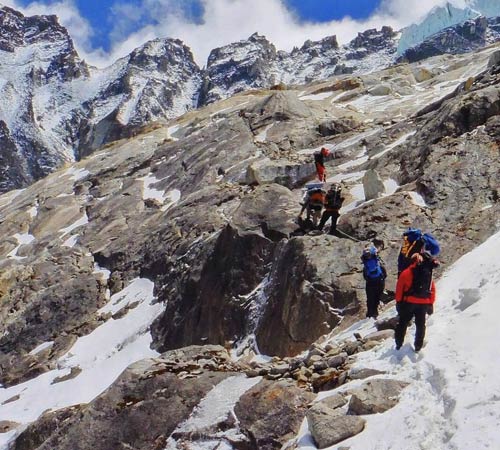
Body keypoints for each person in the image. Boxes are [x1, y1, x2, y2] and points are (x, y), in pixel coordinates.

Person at [394, 252, 439, 352]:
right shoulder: (427, 273)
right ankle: (418, 346)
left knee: (403, 323)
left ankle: (398, 344)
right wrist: (430, 303)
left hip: (409, 302)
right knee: (420, 325)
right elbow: (432, 289)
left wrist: (399, 302)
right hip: (423, 303)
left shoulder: (407, 272)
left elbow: (399, 289)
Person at [361, 245, 387, 319]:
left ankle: (369, 314)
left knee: (370, 298)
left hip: (370, 282)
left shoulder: (365, 260)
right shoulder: (375, 257)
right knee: (377, 297)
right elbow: (384, 273)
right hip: (379, 281)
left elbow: (365, 275)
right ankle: (375, 313)